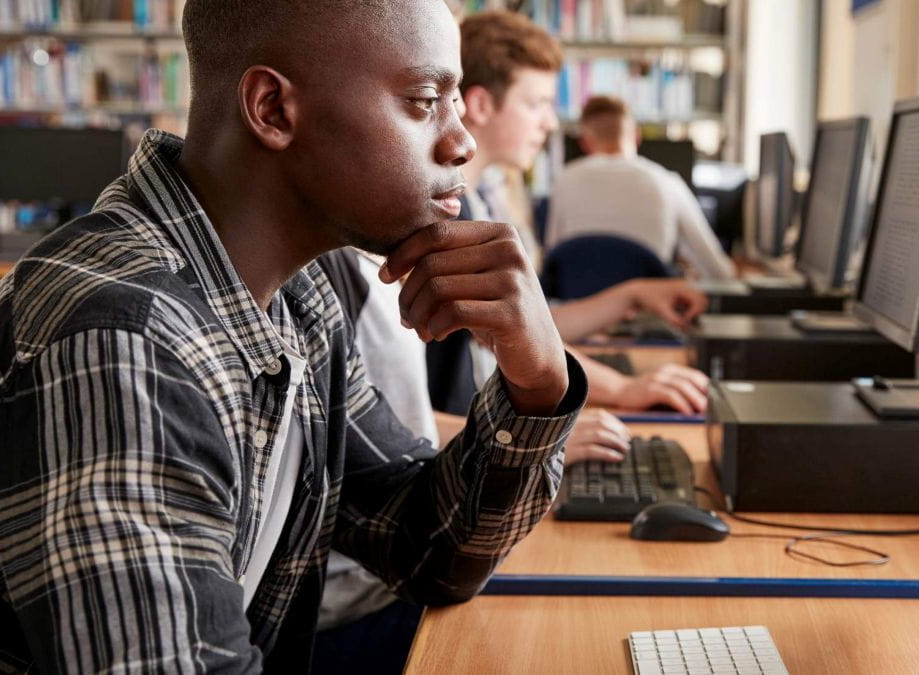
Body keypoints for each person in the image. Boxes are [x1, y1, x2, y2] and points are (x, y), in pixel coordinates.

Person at [0, 1, 588, 671]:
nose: (461, 142)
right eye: (425, 101)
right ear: (273, 110)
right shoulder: (118, 339)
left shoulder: (297, 302)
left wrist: (538, 382)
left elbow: (427, 546)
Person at [311, 247, 630, 673]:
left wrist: (536, 397)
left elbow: (422, 536)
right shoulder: (329, 281)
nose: (455, 175)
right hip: (350, 609)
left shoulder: (320, 290)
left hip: (384, 586)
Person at [427, 10, 712, 420]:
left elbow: (529, 327)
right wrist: (624, 389)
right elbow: (510, 336)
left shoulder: (479, 197)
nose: (549, 122)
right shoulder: (451, 213)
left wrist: (631, 295)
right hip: (458, 441)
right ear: (481, 105)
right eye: (536, 104)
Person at [546, 95, 737, 281]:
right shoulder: (668, 182)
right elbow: (718, 271)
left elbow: (552, 257)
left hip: (579, 310)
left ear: (584, 143)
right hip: (651, 310)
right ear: (636, 136)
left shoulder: (563, 180)